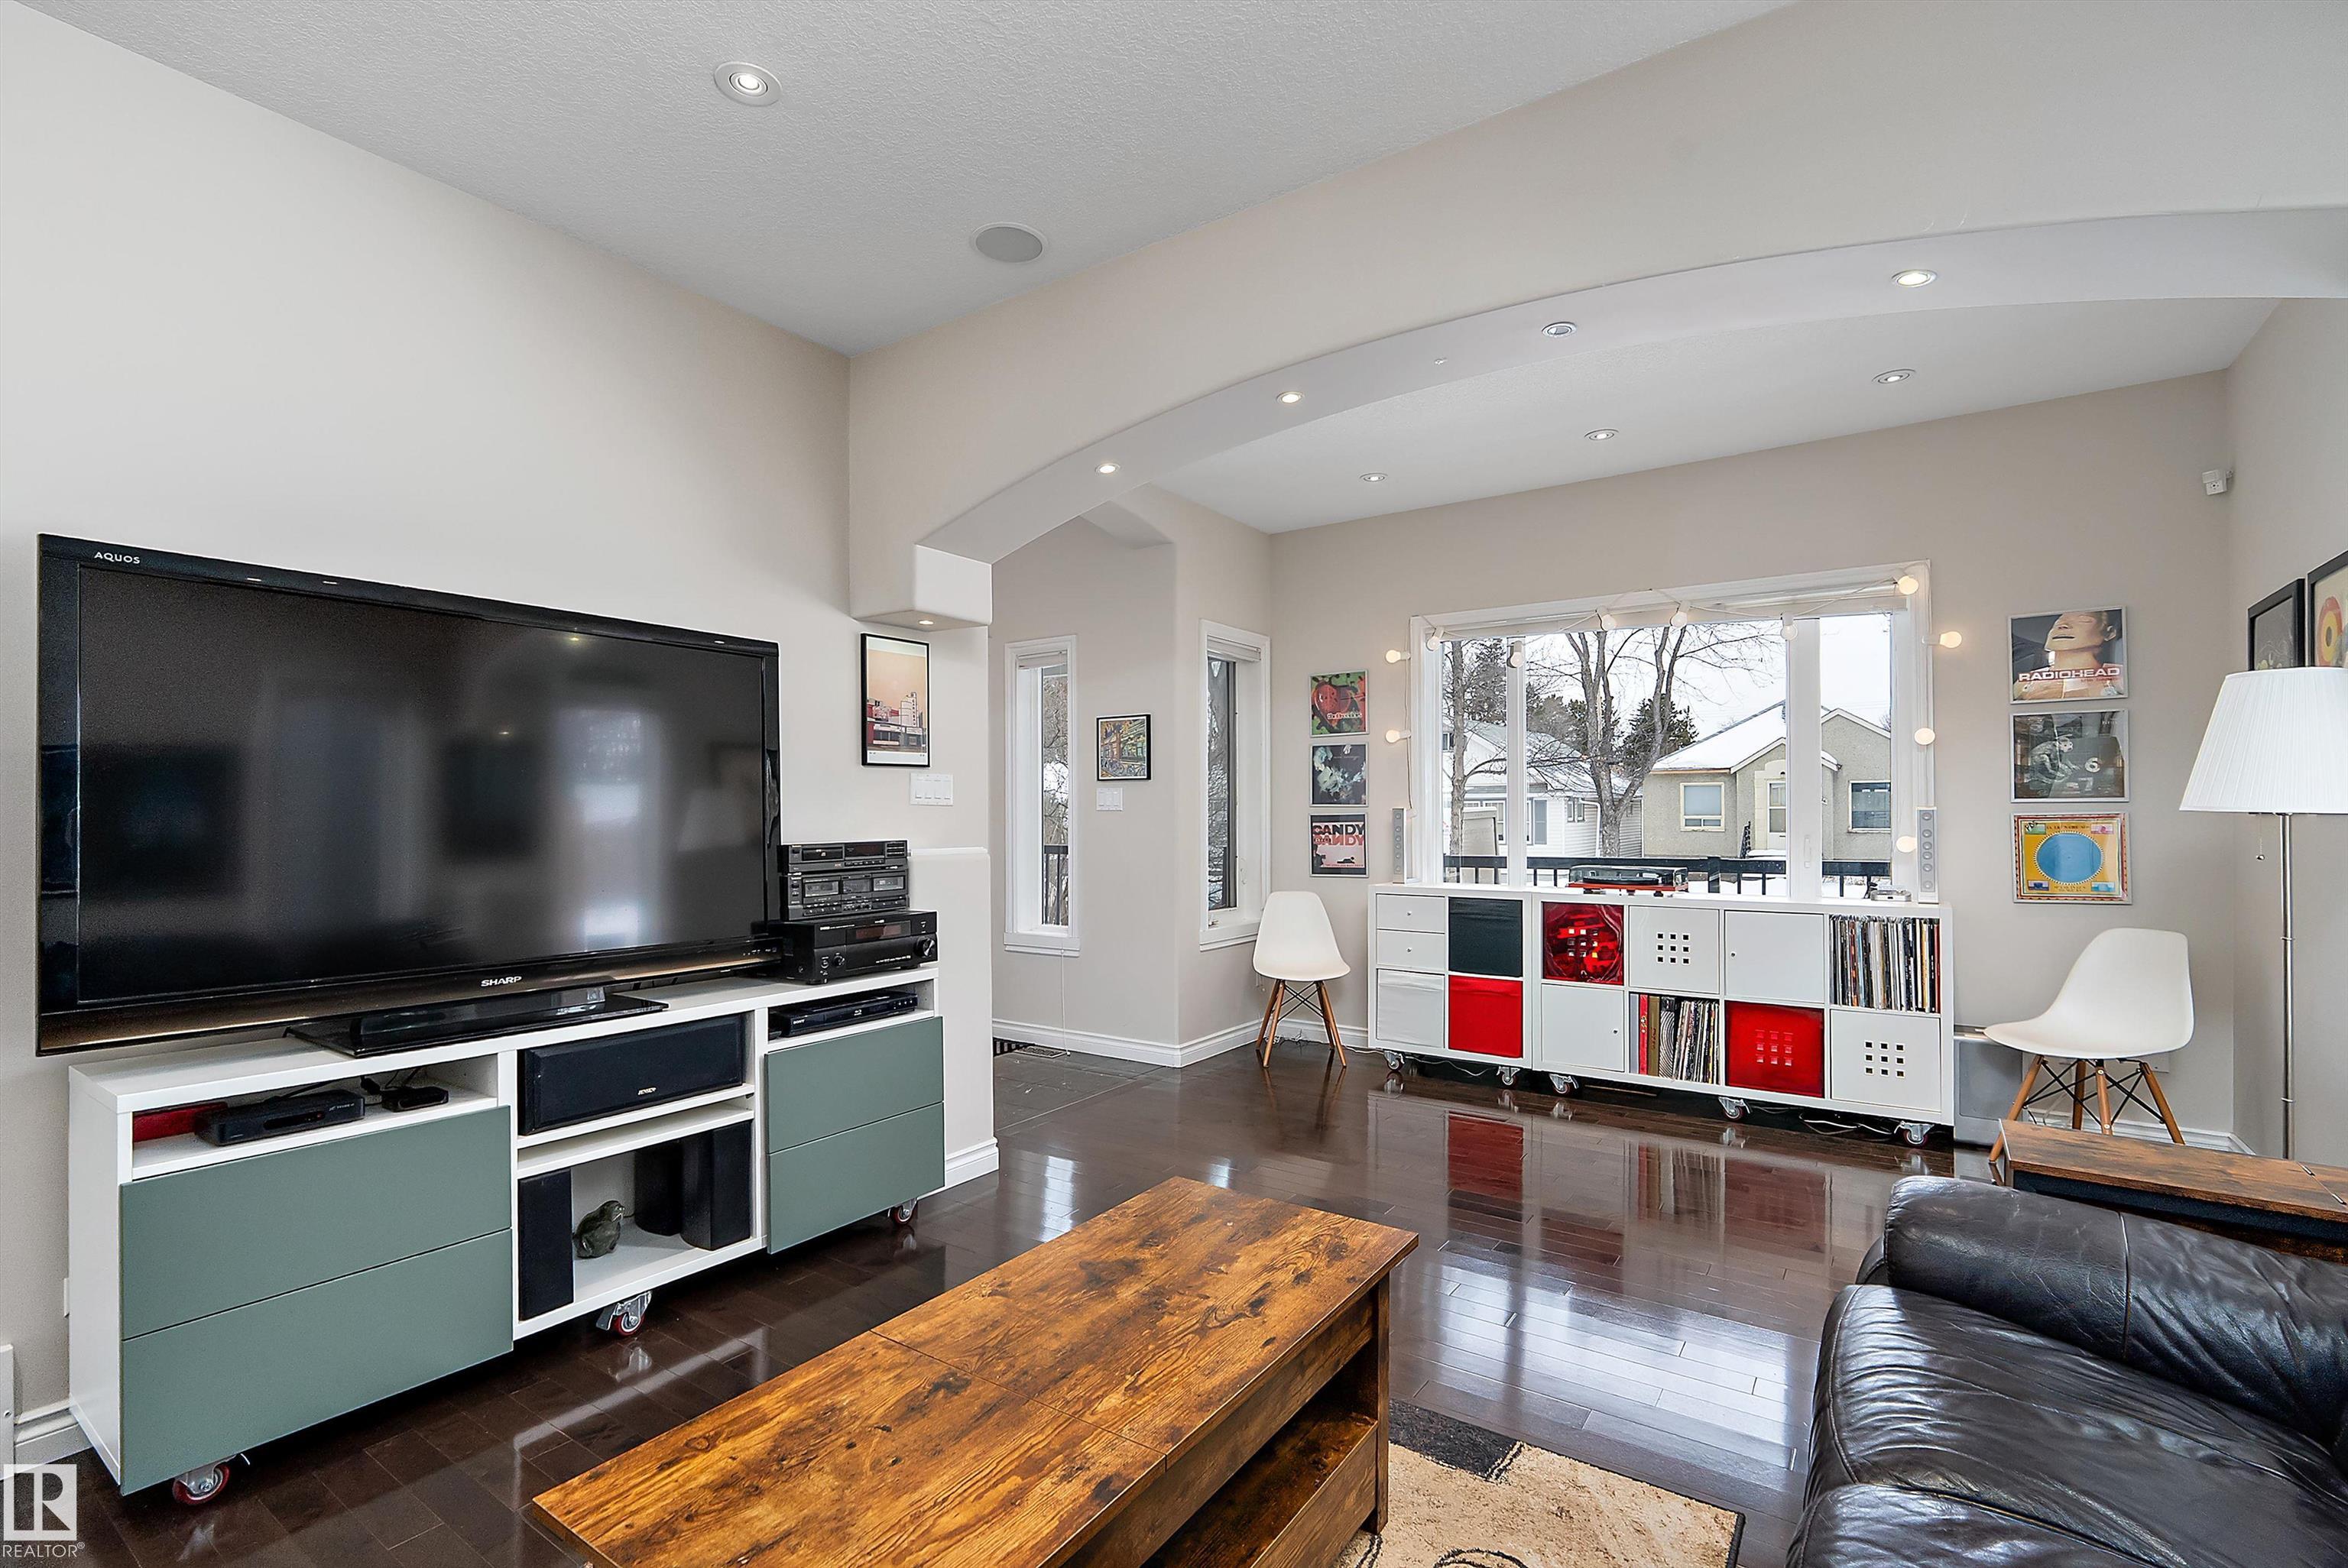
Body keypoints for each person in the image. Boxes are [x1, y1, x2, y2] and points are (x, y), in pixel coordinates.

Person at [2016, 609, 2123, 699]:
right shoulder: (2027, 681)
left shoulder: (2118, 675)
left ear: (2110, 633)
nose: (2063, 626)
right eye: (2058, 623)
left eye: (2084, 620)